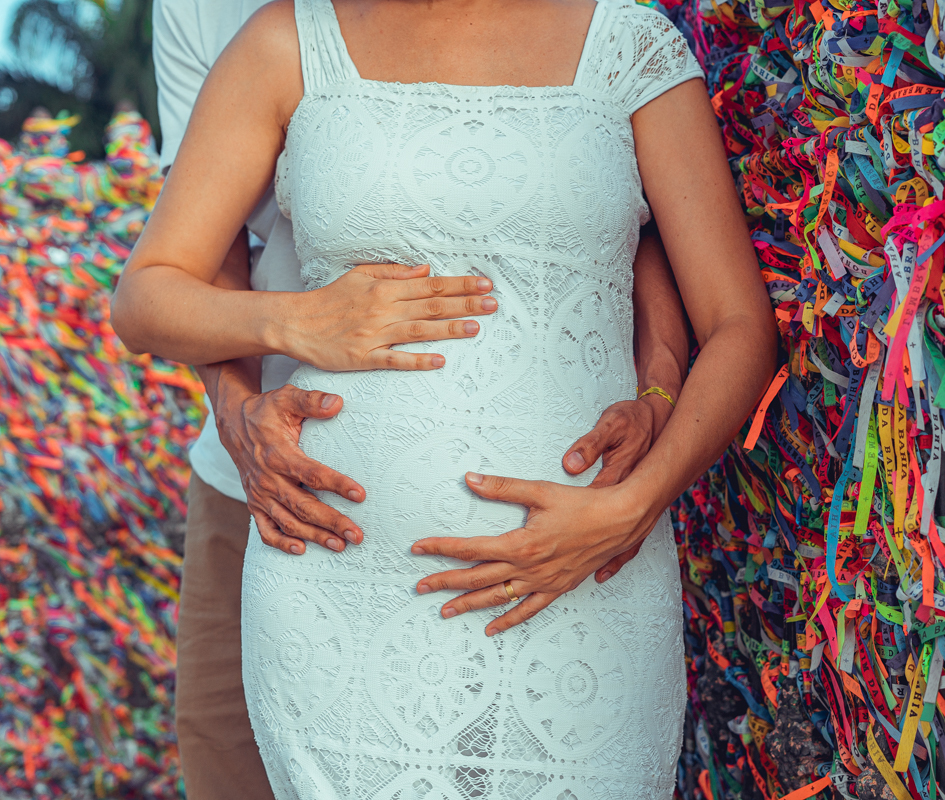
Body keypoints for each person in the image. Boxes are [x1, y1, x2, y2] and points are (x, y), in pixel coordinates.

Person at [117, 0, 775, 796]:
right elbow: (147, 295)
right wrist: (295, 320)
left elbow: (739, 325)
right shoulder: (282, 41)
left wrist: (635, 503)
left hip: (588, 579)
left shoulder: (628, 44)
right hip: (340, 600)